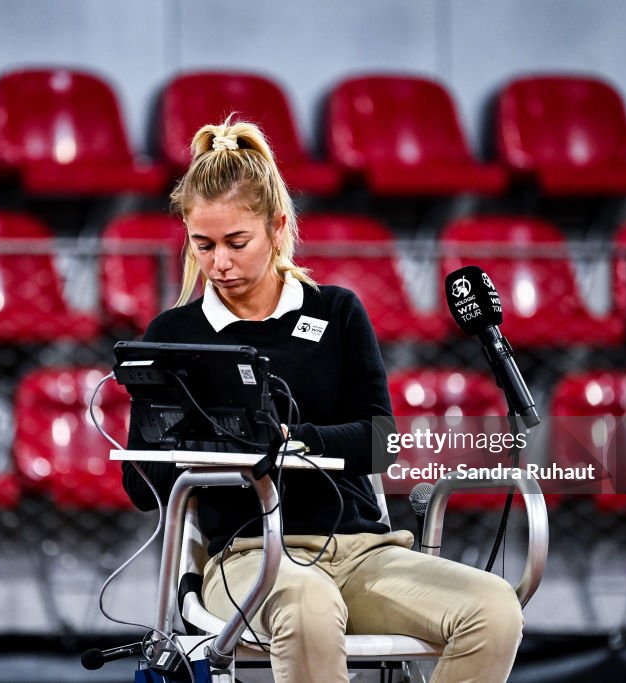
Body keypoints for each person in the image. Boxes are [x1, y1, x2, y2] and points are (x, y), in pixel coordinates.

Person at [121, 118, 523, 683]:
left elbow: (382, 442)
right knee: (308, 604)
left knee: (493, 608)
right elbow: (141, 489)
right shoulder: (173, 332)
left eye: (237, 243)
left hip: (363, 551)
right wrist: (185, 445)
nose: (220, 263)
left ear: (278, 227)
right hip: (248, 558)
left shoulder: (336, 311)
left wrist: (295, 442)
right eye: (203, 245)